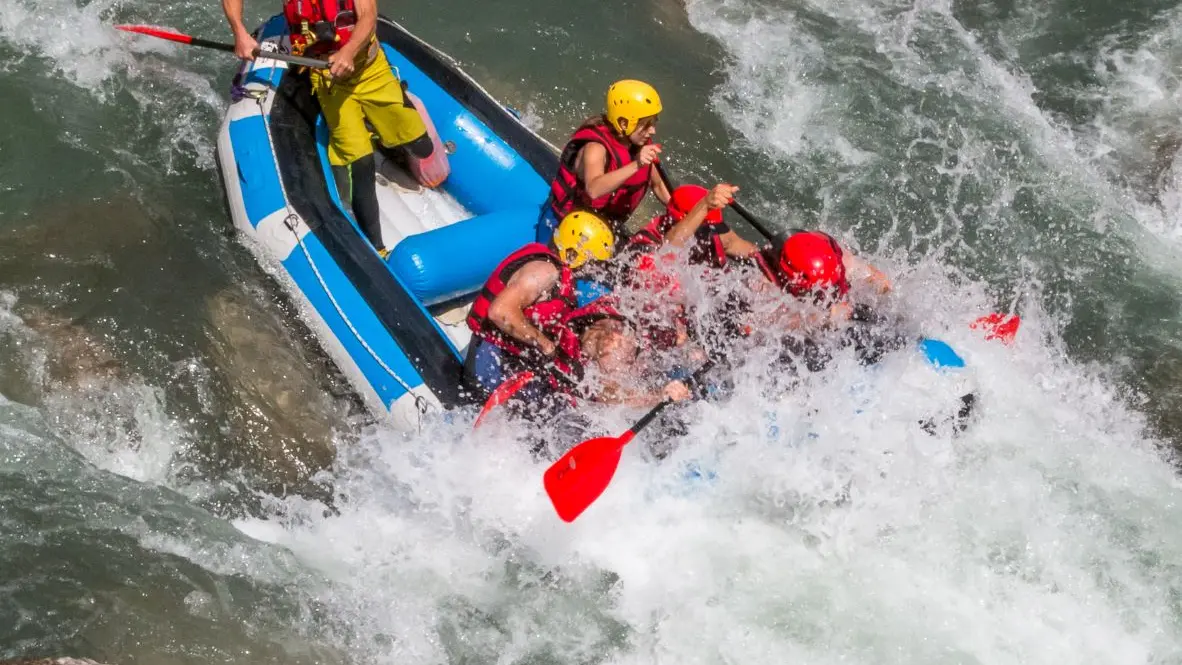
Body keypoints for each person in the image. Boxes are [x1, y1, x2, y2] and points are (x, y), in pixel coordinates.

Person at [222, 0, 435, 259]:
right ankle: (377, 247)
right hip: (328, 82)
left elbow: (368, 16)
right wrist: (239, 32)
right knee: (360, 163)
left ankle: (374, 126)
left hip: (370, 71)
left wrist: (349, 50)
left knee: (422, 148)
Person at [463, 211, 616, 400]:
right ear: (577, 252)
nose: (593, 270)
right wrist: (545, 345)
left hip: (509, 361)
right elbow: (500, 312)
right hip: (488, 361)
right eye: (593, 262)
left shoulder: (562, 279)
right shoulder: (544, 271)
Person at [539, 80, 672, 244]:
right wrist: (636, 164)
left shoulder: (639, 144)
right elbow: (593, 190)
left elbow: (658, 185)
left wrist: (679, 210)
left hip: (603, 227)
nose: (652, 131)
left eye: (654, 123)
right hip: (565, 224)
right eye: (646, 125)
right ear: (624, 123)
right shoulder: (595, 148)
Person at [629, 183, 756, 267]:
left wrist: (773, 255)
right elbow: (669, 247)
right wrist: (705, 205)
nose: (707, 232)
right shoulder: (647, 240)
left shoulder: (711, 233)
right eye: (702, 226)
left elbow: (752, 253)